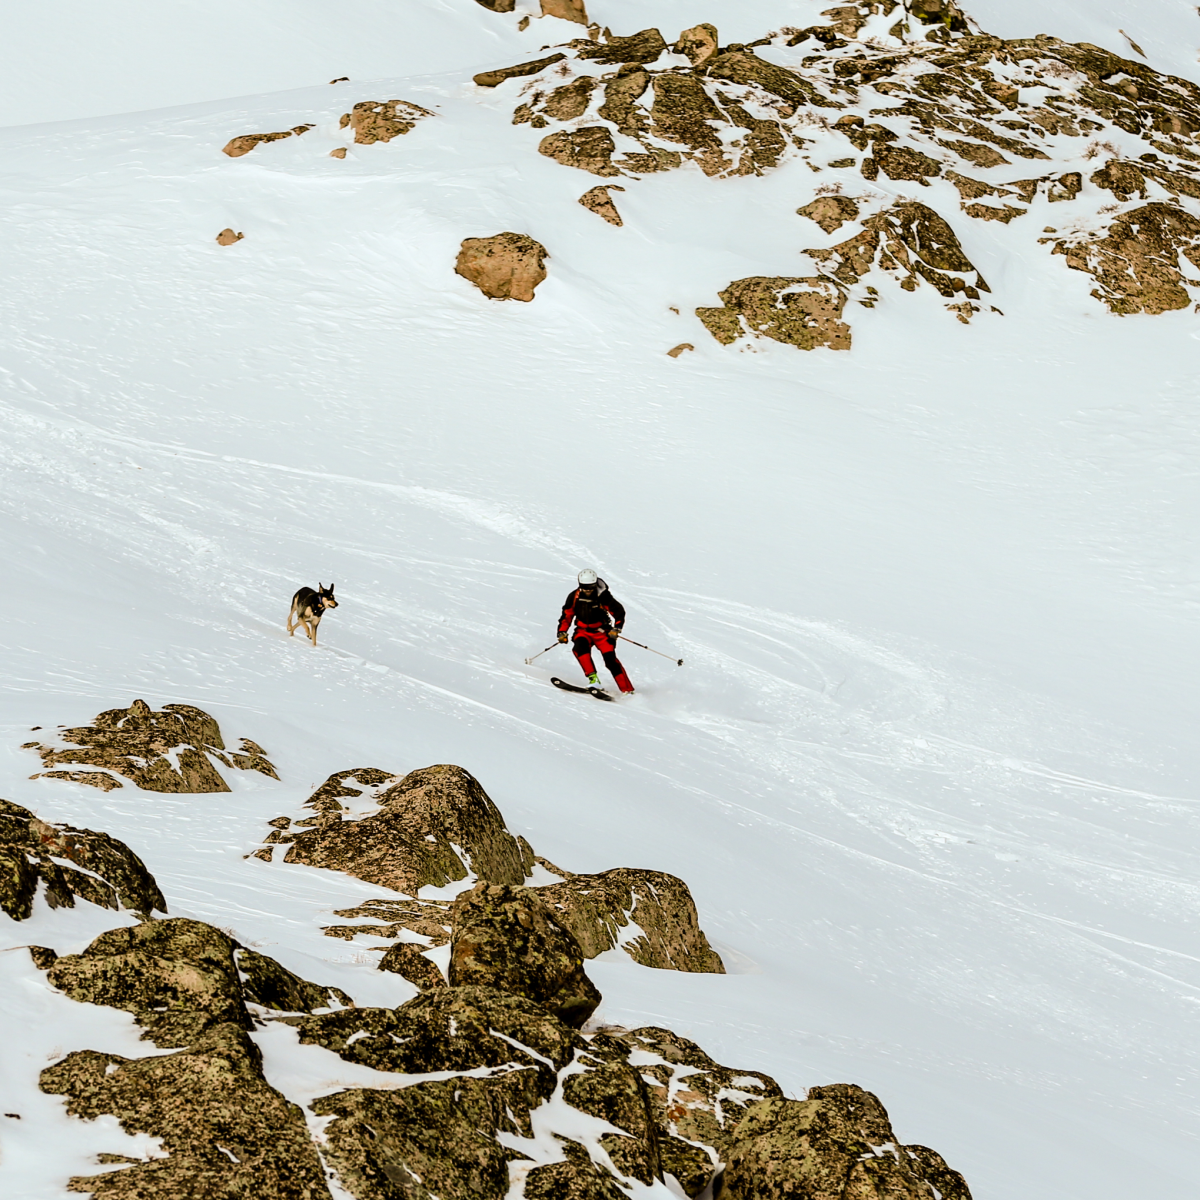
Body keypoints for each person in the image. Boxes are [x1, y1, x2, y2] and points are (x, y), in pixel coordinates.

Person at [557, 569, 635, 694]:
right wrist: (562, 632)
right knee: (579, 649)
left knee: (610, 661)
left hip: (602, 632)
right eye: (584, 587)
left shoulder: (602, 596)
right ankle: (594, 680)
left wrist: (617, 628)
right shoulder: (574, 597)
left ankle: (627, 690)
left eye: (590, 587)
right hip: (583, 631)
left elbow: (619, 612)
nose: (588, 590)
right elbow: (567, 615)